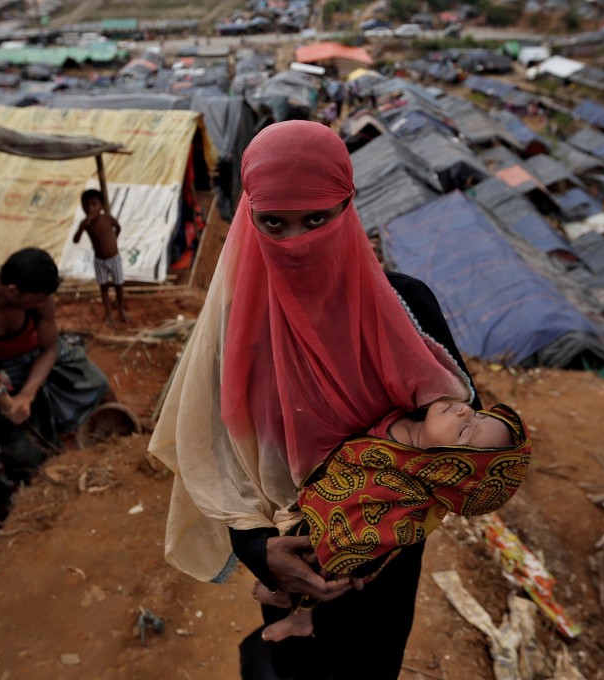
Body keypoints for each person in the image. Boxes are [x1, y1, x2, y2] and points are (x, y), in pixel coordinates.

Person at [148, 120, 489, 680]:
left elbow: (465, 437)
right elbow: (219, 454)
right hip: (293, 557)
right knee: (296, 664)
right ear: (249, 218)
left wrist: (388, 523)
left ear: (347, 209)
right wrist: (258, 550)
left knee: (369, 664)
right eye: (273, 223)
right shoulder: (238, 328)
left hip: (389, 559)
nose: (296, 243)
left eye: (316, 220)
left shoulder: (408, 310)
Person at [253, 399, 530, 642]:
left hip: (341, 554)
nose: (463, 411)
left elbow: (362, 542)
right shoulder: (411, 406)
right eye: (478, 414)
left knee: (318, 563)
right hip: (307, 491)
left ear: (446, 466)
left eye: (465, 430)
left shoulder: (407, 499)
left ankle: (296, 612)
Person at [0, 247, 110, 482]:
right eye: (37, 299)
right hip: (3, 367)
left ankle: (94, 428)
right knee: (20, 452)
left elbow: (50, 349)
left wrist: (27, 395)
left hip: (43, 352)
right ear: (13, 291)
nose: (44, 303)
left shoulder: (40, 299)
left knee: (96, 384)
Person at [73, 188, 130, 326]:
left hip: (114, 258)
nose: (90, 208)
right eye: (86, 205)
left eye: (94, 204)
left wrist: (114, 239)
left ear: (101, 206)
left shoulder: (107, 218)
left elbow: (118, 227)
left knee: (118, 285)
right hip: (100, 261)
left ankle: (121, 310)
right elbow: (76, 240)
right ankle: (109, 314)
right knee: (103, 287)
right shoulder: (85, 224)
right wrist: (82, 227)